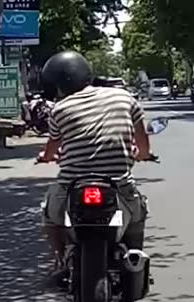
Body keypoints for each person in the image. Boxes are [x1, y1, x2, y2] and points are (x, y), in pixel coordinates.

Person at [36, 50, 154, 284]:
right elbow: (142, 142)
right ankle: (134, 257)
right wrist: (143, 154)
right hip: (118, 183)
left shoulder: (59, 110)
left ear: (59, 85)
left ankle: (60, 260)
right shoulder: (123, 97)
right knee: (138, 214)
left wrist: (45, 156)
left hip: (73, 185)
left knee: (50, 216)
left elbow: (51, 149)